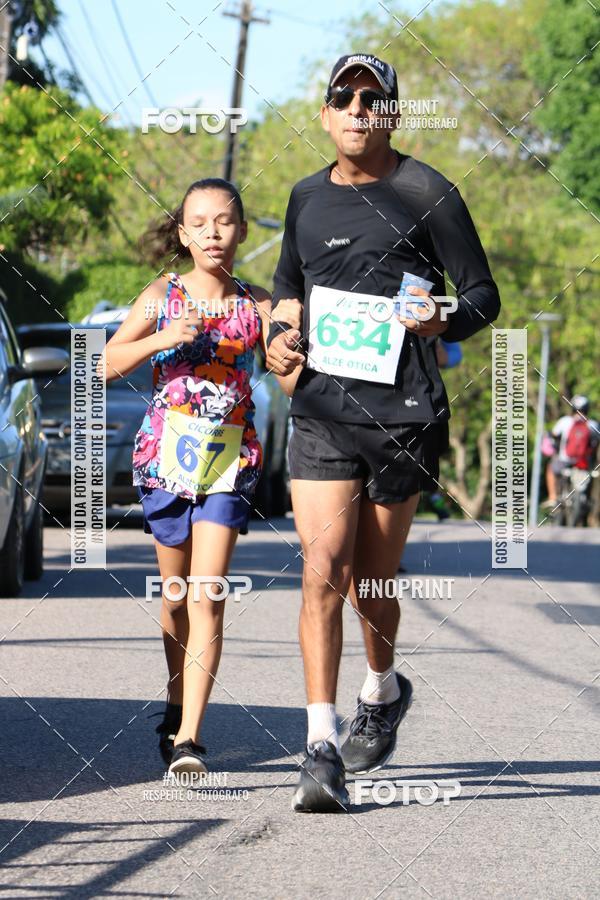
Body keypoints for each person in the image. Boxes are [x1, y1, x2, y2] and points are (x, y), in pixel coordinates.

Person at [266, 54, 500, 812]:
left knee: (372, 583)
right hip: (323, 411)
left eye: (373, 97)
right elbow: (288, 292)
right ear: (325, 114)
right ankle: (319, 746)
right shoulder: (305, 198)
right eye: (345, 96)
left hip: (403, 414)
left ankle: (382, 688)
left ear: (392, 113)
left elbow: (483, 295)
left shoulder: (426, 191)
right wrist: (278, 339)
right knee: (322, 571)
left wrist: (442, 318)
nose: (358, 108)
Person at [102, 178, 299, 777]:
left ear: (242, 231)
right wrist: (164, 337)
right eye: (200, 223)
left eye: (225, 221)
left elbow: (291, 382)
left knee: (208, 592)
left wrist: (290, 349)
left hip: (229, 462)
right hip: (165, 459)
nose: (213, 232)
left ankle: (189, 739)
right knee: (175, 595)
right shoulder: (161, 295)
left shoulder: (258, 303)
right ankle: (175, 696)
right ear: (184, 234)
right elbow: (102, 365)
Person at [544, 395, 599, 504]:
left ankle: (552, 497)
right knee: (591, 475)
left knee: (551, 469)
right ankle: (587, 499)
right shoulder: (593, 424)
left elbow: (553, 436)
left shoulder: (565, 421)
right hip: (584, 461)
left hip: (565, 459)